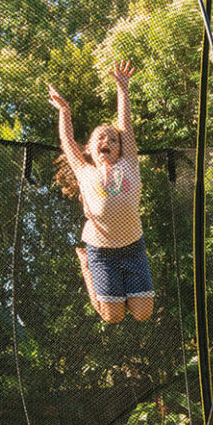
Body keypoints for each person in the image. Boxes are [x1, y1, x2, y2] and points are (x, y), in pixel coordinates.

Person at [48, 59, 155, 323]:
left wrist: (123, 88)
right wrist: (65, 111)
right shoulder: (85, 171)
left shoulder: (129, 164)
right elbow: (66, 141)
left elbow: (126, 126)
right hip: (101, 251)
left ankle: (122, 288)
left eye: (113, 139)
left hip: (133, 248)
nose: (107, 141)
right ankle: (87, 266)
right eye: (100, 138)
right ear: (89, 148)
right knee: (112, 317)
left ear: (121, 148)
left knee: (143, 314)